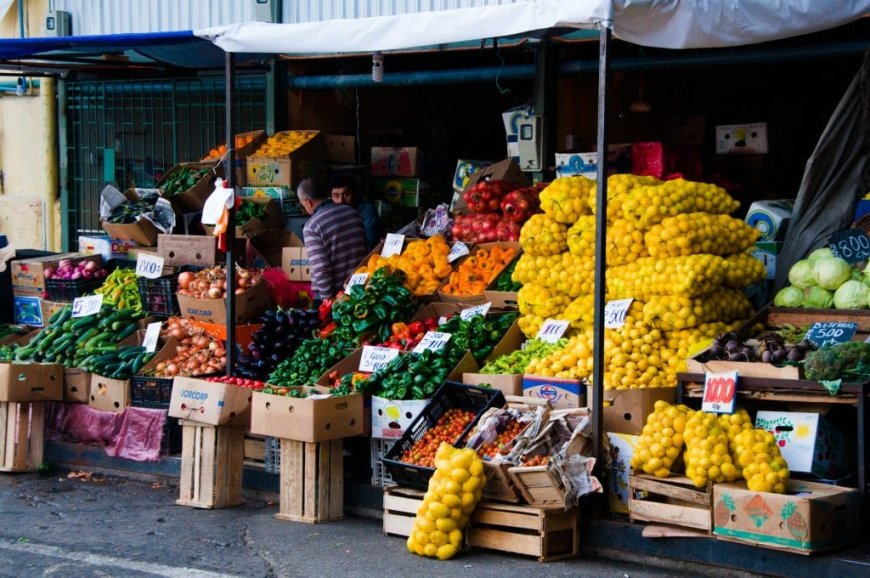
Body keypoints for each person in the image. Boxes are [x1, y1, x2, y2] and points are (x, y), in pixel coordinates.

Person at [297, 178, 367, 300]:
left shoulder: (312, 226)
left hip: (336, 297)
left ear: (307, 202)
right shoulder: (353, 212)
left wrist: (327, 301)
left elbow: (321, 269)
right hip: (360, 289)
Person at [330, 175, 386, 252]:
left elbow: (370, 242)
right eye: (336, 196)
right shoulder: (331, 212)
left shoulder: (367, 210)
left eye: (346, 194)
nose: (341, 200)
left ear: (354, 194)